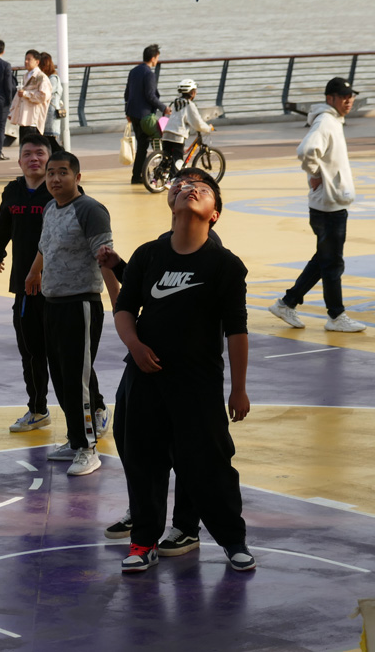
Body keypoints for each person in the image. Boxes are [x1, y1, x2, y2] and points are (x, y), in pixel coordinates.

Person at [113, 171, 255, 574]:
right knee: (143, 461)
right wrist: (135, 346)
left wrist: (239, 389)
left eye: (203, 189)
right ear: (171, 203)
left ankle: (233, 540)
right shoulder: (147, 254)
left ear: (215, 214)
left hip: (198, 383)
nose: (191, 189)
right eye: (185, 186)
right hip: (145, 379)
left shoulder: (225, 265)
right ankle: (143, 542)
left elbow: (237, 330)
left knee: (210, 464)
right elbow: (124, 309)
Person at [98, 166, 222, 549]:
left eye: (196, 185)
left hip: (185, 369)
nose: (183, 187)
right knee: (132, 439)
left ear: (212, 208)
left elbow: (183, 299)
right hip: (145, 362)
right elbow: (150, 291)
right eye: (179, 183)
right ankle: (143, 510)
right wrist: (118, 268)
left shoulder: (208, 249)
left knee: (185, 449)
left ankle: (186, 525)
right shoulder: (157, 246)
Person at [25, 151, 117, 476]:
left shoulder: (90, 210)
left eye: (62, 172)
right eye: (50, 173)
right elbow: (44, 246)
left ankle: (88, 448)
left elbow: (105, 258)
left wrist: (120, 304)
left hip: (81, 305)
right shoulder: (51, 208)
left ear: (77, 177)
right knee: (62, 378)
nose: (54, 179)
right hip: (53, 304)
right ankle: (76, 439)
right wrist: (34, 272)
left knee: (77, 381)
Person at [269, 77, 365, 333]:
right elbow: (306, 150)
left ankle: (287, 303)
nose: (348, 100)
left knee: (324, 259)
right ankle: (336, 315)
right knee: (332, 264)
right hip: (328, 207)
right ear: (329, 98)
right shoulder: (326, 121)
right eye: (343, 96)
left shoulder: (333, 120)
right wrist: (314, 174)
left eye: (350, 96)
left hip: (331, 204)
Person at [0, 134, 54, 433]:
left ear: (49, 159)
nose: (34, 159)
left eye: (40, 153)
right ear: (19, 161)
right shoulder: (12, 191)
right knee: (30, 352)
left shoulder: (60, 191)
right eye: (27, 154)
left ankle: (93, 407)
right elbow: (3, 224)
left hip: (59, 288)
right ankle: (38, 409)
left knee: (66, 354)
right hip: (25, 287)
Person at [124, 44, 170, 185]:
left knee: (142, 146)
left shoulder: (133, 71)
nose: (157, 60)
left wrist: (127, 112)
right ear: (153, 58)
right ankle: (159, 170)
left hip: (133, 113)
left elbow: (127, 93)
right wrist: (164, 108)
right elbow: (150, 96)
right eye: (157, 58)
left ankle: (137, 175)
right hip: (145, 116)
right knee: (161, 139)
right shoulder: (149, 74)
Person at [161, 79, 212, 172]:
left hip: (166, 133)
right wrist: (208, 128)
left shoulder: (175, 102)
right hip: (177, 135)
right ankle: (173, 179)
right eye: (195, 91)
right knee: (178, 160)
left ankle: (156, 177)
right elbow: (198, 123)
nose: (196, 93)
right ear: (192, 93)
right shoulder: (189, 105)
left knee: (166, 159)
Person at [8, 49, 51, 143]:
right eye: (25, 59)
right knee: (24, 146)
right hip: (24, 119)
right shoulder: (26, 76)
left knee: (32, 146)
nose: (26, 61)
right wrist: (12, 112)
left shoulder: (41, 77)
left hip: (33, 121)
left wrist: (26, 94)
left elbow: (44, 96)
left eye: (29, 59)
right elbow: (19, 95)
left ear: (37, 62)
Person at [41, 53, 64, 153]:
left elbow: (45, 93)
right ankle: (59, 154)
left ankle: (61, 154)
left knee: (50, 139)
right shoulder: (51, 77)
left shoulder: (52, 79)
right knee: (49, 140)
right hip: (49, 113)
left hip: (51, 114)